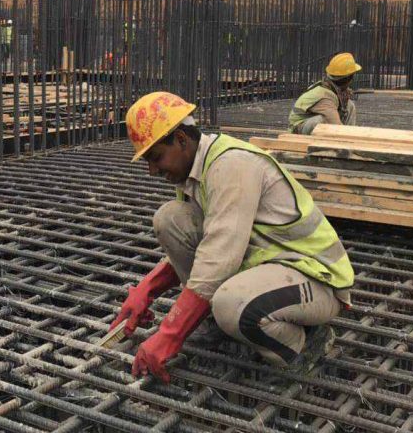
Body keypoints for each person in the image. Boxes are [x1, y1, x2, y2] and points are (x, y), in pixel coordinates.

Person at [113, 91, 354, 383]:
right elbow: (212, 242)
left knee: (231, 304)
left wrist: (169, 335)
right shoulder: (195, 170)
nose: (152, 170)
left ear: (181, 139)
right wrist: (147, 289)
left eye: (156, 157)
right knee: (170, 218)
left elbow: (218, 259)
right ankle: (214, 321)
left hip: (316, 277)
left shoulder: (231, 165)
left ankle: (303, 345)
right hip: (270, 262)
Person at [288, 52, 361, 135]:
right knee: (323, 120)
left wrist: (343, 101)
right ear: (349, 79)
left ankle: (349, 135)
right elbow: (336, 125)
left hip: (309, 121)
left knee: (349, 105)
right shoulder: (325, 97)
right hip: (297, 128)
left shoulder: (329, 88)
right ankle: (345, 138)